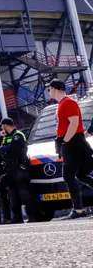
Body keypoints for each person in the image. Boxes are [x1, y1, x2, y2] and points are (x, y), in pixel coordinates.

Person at [49, 79, 93, 219]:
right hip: (69, 142)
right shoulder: (61, 104)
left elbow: (73, 123)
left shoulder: (68, 102)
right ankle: (79, 209)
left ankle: (78, 210)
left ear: (55, 89)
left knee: (68, 175)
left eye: (49, 89)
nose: (49, 92)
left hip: (73, 142)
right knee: (80, 175)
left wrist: (65, 142)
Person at [0, 118, 29, 224]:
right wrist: (1, 138)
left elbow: (14, 149)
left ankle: (32, 215)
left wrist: (4, 148)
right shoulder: (6, 137)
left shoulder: (18, 135)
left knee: (24, 192)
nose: (1, 128)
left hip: (19, 167)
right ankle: (17, 217)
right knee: (13, 194)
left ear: (6, 125)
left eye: (2, 125)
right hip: (9, 169)